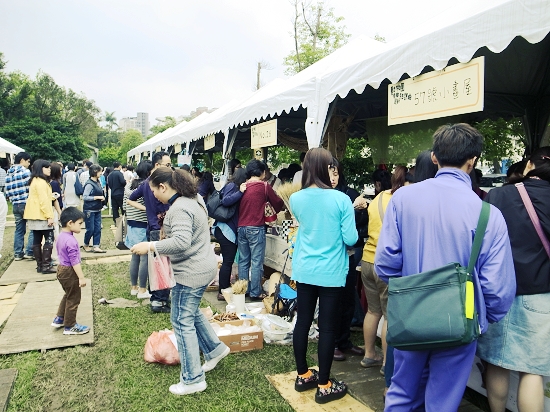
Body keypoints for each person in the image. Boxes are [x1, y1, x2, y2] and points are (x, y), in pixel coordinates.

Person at [375, 123, 516, 411]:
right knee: (443, 402)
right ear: (473, 160)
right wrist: (480, 320)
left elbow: (385, 265)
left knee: (401, 394)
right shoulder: (488, 213)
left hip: (410, 317)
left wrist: (411, 288)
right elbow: (497, 290)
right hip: (461, 320)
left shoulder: (402, 198)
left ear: (435, 157)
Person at [130, 167, 230, 396]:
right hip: (203, 266)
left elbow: (182, 242)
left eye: (154, 190)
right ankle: (214, 350)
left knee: (181, 320)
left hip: (191, 273)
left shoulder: (180, 208)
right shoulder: (194, 199)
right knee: (191, 313)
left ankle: (193, 379)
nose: (153, 195)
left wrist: (151, 246)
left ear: (163, 187)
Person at [477, 147, 550, 412]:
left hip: (498, 292)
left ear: (529, 165)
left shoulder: (499, 195)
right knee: (533, 370)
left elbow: (481, 241)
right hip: (541, 295)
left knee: (497, 361)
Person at [290, 148, 358, 404]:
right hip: (331, 271)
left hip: (305, 268)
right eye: (330, 166)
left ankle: (303, 374)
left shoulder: (296, 198)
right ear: (324, 168)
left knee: (303, 321)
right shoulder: (341, 200)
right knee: (327, 327)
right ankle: (325, 384)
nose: (333, 171)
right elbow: (350, 238)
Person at [359, 166, 407, 372]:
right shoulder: (402, 200)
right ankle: (387, 363)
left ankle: (369, 354)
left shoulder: (377, 198)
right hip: (386, 264)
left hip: (367, 261)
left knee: (372, 310)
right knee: (389, 316)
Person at [330, 160, 366, 362]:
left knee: (348, 298)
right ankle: (332, 342)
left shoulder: (350, 193)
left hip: (349, 254)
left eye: (336, 174)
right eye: (329, 174)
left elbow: (361, 223)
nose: (333, 178)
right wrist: (351, 211)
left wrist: (360, 210)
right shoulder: (323, 197)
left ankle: (344, 341)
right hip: (332, 257)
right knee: (333, 300)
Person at [128, 151, 172, 313]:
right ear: (157, 165)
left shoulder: (147, 183)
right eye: (167, 165)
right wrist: (147, 210)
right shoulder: (159, 183)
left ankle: (158, 298)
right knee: (161, 266)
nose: (170, 168)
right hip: (159, 230)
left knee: (158, 266)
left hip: (154, 228)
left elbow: (131, 199)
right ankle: (159, 300)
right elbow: (131, 199)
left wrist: (147, 210)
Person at [237, 159, 284, 300]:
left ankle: (243, 290)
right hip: (256, 228)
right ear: (262, 172)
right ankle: (255, 292)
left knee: (243, 261)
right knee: (256, 262)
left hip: (241, 228)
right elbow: (277, 203)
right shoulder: (264, 186)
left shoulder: (243, 186)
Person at [50, 207, 90, 335]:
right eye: (80, 223)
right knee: (74, 298)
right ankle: (70, 325)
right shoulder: (71, 241)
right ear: (70, 223)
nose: (81, 226)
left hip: (61, 269)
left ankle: (60, 318)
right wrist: (81, 277)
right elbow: (75, 262)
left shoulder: (61, 236)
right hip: (69, 271)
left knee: (68, 294)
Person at [212, 167, 247, 300]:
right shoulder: (233, 186)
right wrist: (240, 192)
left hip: (224, 229)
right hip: (226, 230)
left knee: (228, 261)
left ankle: (224, 288)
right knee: (228, 262)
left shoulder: (230, 185)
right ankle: (222, 291)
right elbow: (226, 201)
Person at [24, 159, 61, 274]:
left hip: (33, 215)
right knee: (49, 239)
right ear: (41, 168)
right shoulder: (41, 182)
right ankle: (46, 265)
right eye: (47, 167)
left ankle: (40, 265)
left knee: (36, 240)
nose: (49, 169)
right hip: (42, 215)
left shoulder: (34, 181)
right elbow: (43, 201)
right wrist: (49, 216)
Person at [124, 160, 152, 299]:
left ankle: (134, 287)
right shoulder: (146, 186)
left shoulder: (129, 184)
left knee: (135, 256)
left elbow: (125, 205)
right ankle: (142, 290)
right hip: (142, 225)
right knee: (145, 257)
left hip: (131, 225)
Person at [5, 152, 34, 260]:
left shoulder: (9, 172)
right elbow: (31, 188)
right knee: (33, 228)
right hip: (26, 203)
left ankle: (18, 253)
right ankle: (29, 252)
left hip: (15, 204)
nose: (29, 164)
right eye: (28, 161)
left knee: (19, 229)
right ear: (22, 160)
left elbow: (7, 191)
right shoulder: (25, 172)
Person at [82, 164, 106, 253]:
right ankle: (86, 244)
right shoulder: (89, 184)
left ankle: (96, 245)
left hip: (97, 209)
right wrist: (97, 197)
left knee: (98, 228)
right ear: (95, 172)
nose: (101, 173)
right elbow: (85, 197)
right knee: (90, 229)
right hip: (89, 210)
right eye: (100, 171)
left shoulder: (98, 182)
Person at [49, 162, 64, 238]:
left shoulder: (50, 181)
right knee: (56, 228)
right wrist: (59, 211)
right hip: (55, 208)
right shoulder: (54, 183)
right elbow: (55, 198)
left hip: (54, 207)